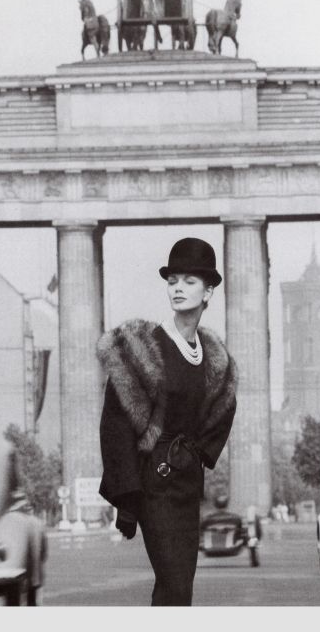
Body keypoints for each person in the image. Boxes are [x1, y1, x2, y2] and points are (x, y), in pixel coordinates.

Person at [96, 237, 238, 606]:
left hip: (188, 484)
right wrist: (128, 495)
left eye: (189, 281)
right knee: (174, 582)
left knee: (179, 588)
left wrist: (202, 454)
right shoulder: (142, 349)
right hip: (153, 483)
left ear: (208, 292)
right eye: (173, 280)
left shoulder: (213, 356)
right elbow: (115, 423)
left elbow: (224, 406)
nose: (177, 287)